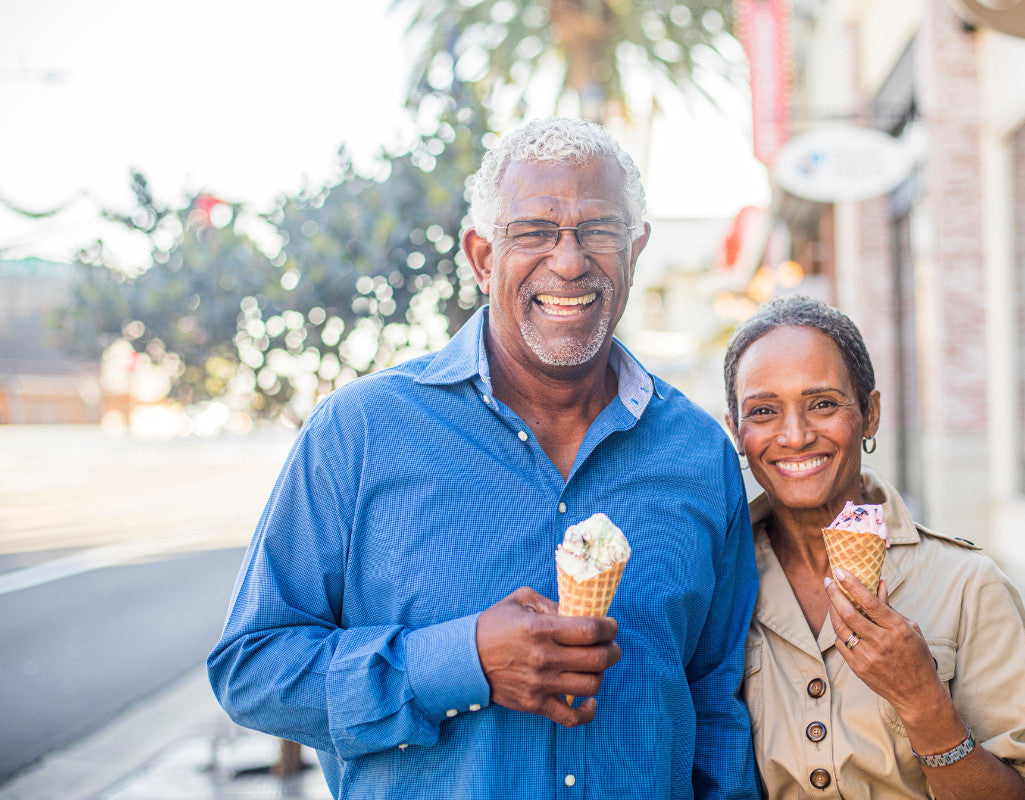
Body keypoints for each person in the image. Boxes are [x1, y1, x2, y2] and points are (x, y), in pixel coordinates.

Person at [208, 117, 760, 799]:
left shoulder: (699, 454)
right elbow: (251, 668)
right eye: (534, 231)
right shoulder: (360, 433)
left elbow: (719, 709)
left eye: (599, 230)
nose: (569, 260)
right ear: (481, 257)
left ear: (635, 250)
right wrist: (460, 662)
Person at [722, 294, 1025, 800]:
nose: (794, 436)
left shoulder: (967, 586)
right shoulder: (715, 582)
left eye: (822, 403)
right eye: (764, 411)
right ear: (736, 431)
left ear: (870, 413)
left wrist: (922, 699)